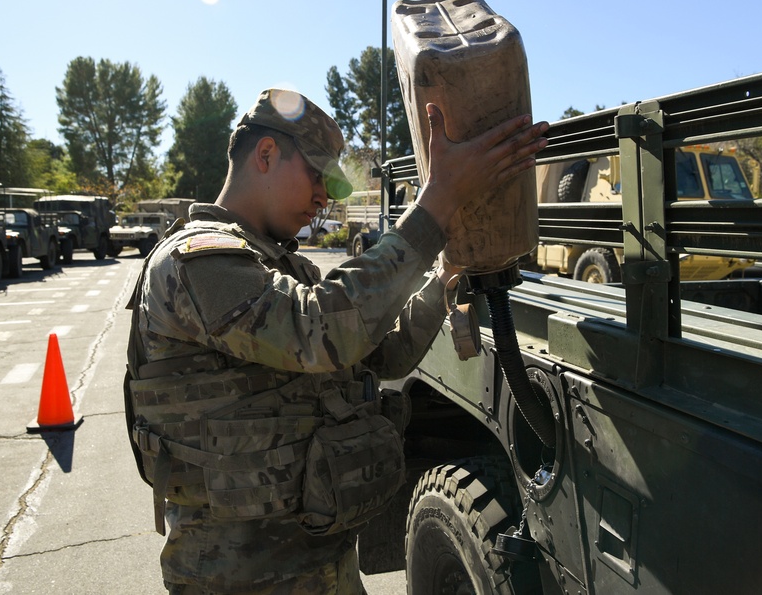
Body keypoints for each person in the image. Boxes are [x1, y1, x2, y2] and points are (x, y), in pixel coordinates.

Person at [125, 87, 548, 594]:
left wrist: (442, 280)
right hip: (239, 573)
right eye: (319, 177)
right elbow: (318, 331)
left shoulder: (278, 265)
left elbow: (381, 355)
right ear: (265, 154)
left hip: (320, 560)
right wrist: (436, 204)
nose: (326, 198)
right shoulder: (196, 261)